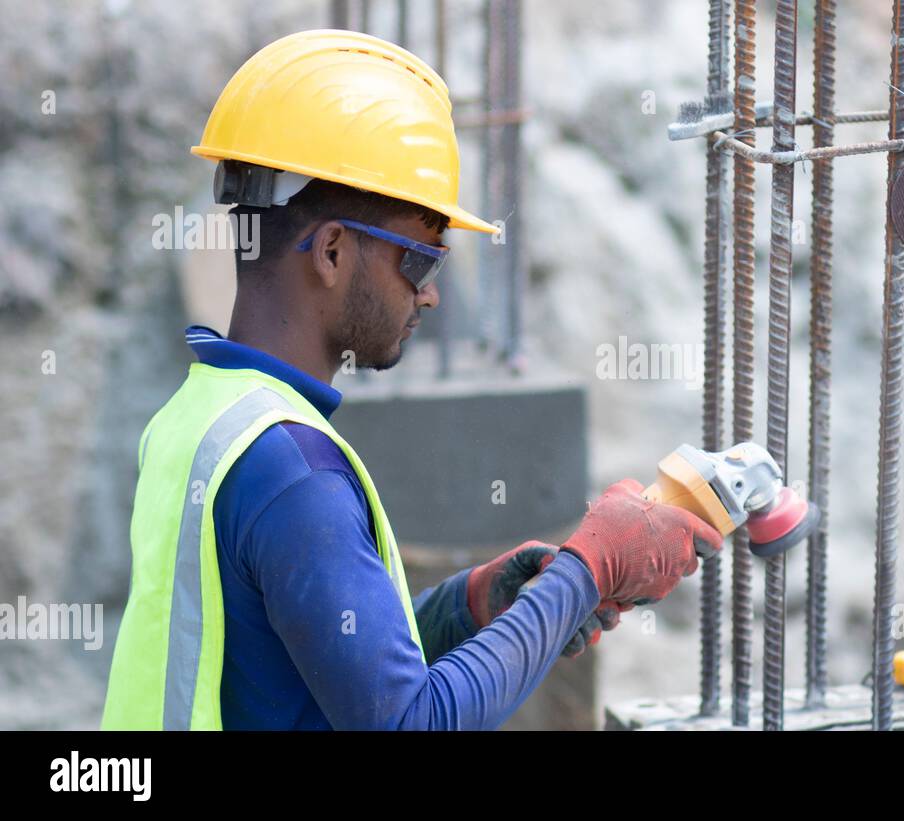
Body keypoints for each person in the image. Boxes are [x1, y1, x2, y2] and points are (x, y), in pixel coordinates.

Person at [101, 29, 722, 730]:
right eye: (421, 260)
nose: (429, 295)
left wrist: (468, 606)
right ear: (332, 250)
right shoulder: (293, 473)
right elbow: (412, 721)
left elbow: (314, 663)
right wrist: (591, 568)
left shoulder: (198, 418)